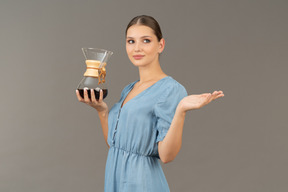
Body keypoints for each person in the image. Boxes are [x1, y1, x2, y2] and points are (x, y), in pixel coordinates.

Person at [76, 15, 224, 192]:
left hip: (142, 183)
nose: (137, 48)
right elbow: (115, 144)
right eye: (131, 41)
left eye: (146, 40)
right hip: (115, 180)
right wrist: (102, 111)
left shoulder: (170, 90)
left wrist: (181, 111)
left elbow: (166, 155)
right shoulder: (129, 89)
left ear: (160, 45)